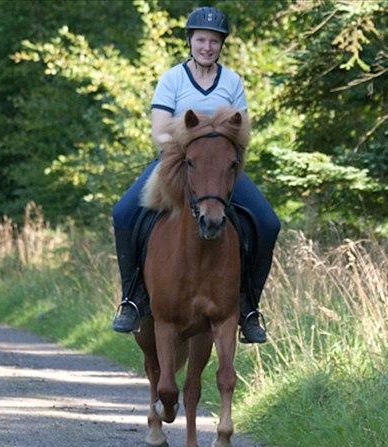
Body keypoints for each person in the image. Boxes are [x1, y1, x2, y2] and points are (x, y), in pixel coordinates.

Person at [111, 6, 280, 344]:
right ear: (190, 41)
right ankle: (132, 299)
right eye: (201, 40)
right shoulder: (172, 79)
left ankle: (248, 307)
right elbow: (159, 131)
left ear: (221, 45)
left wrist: (219, 152)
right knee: (124, 213)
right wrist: (190, 149)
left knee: (268, 222)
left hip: (220, 168)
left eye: (214, 42)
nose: (207, 47)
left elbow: (242, 132)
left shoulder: (232, 82)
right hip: (177, 162)